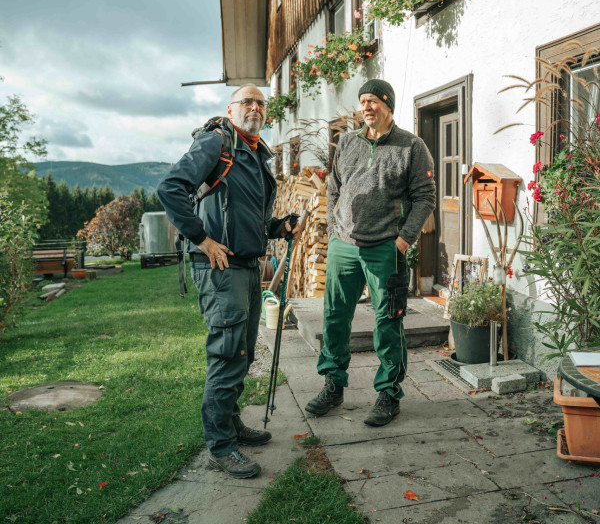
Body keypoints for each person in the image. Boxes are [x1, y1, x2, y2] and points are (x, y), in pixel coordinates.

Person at [157, 84, 298, 478]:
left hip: (246, 266)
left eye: (260, 103)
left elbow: (244, 217)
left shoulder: (252, 152)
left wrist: (277, 226)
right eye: (246, 101)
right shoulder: (216, 142)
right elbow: (170, 188)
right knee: (226, 353)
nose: (254, 107)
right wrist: (201, 239)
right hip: (221, 271)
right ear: (231, 108)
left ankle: (231, 424)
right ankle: (220, 447)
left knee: (242, 353)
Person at [305, 79, 436, 427]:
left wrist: (404, 240)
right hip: (343, 247)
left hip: (384, 248)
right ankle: (333, 384)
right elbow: (334, 189)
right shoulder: (347, 142)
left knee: (387, 321)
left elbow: (426, 197)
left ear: (388, 105)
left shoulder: (410, 146)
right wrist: (335, 229)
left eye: (374, 101)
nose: (367, 107)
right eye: (363, 101)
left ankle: (389, 393)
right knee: (334, 316)